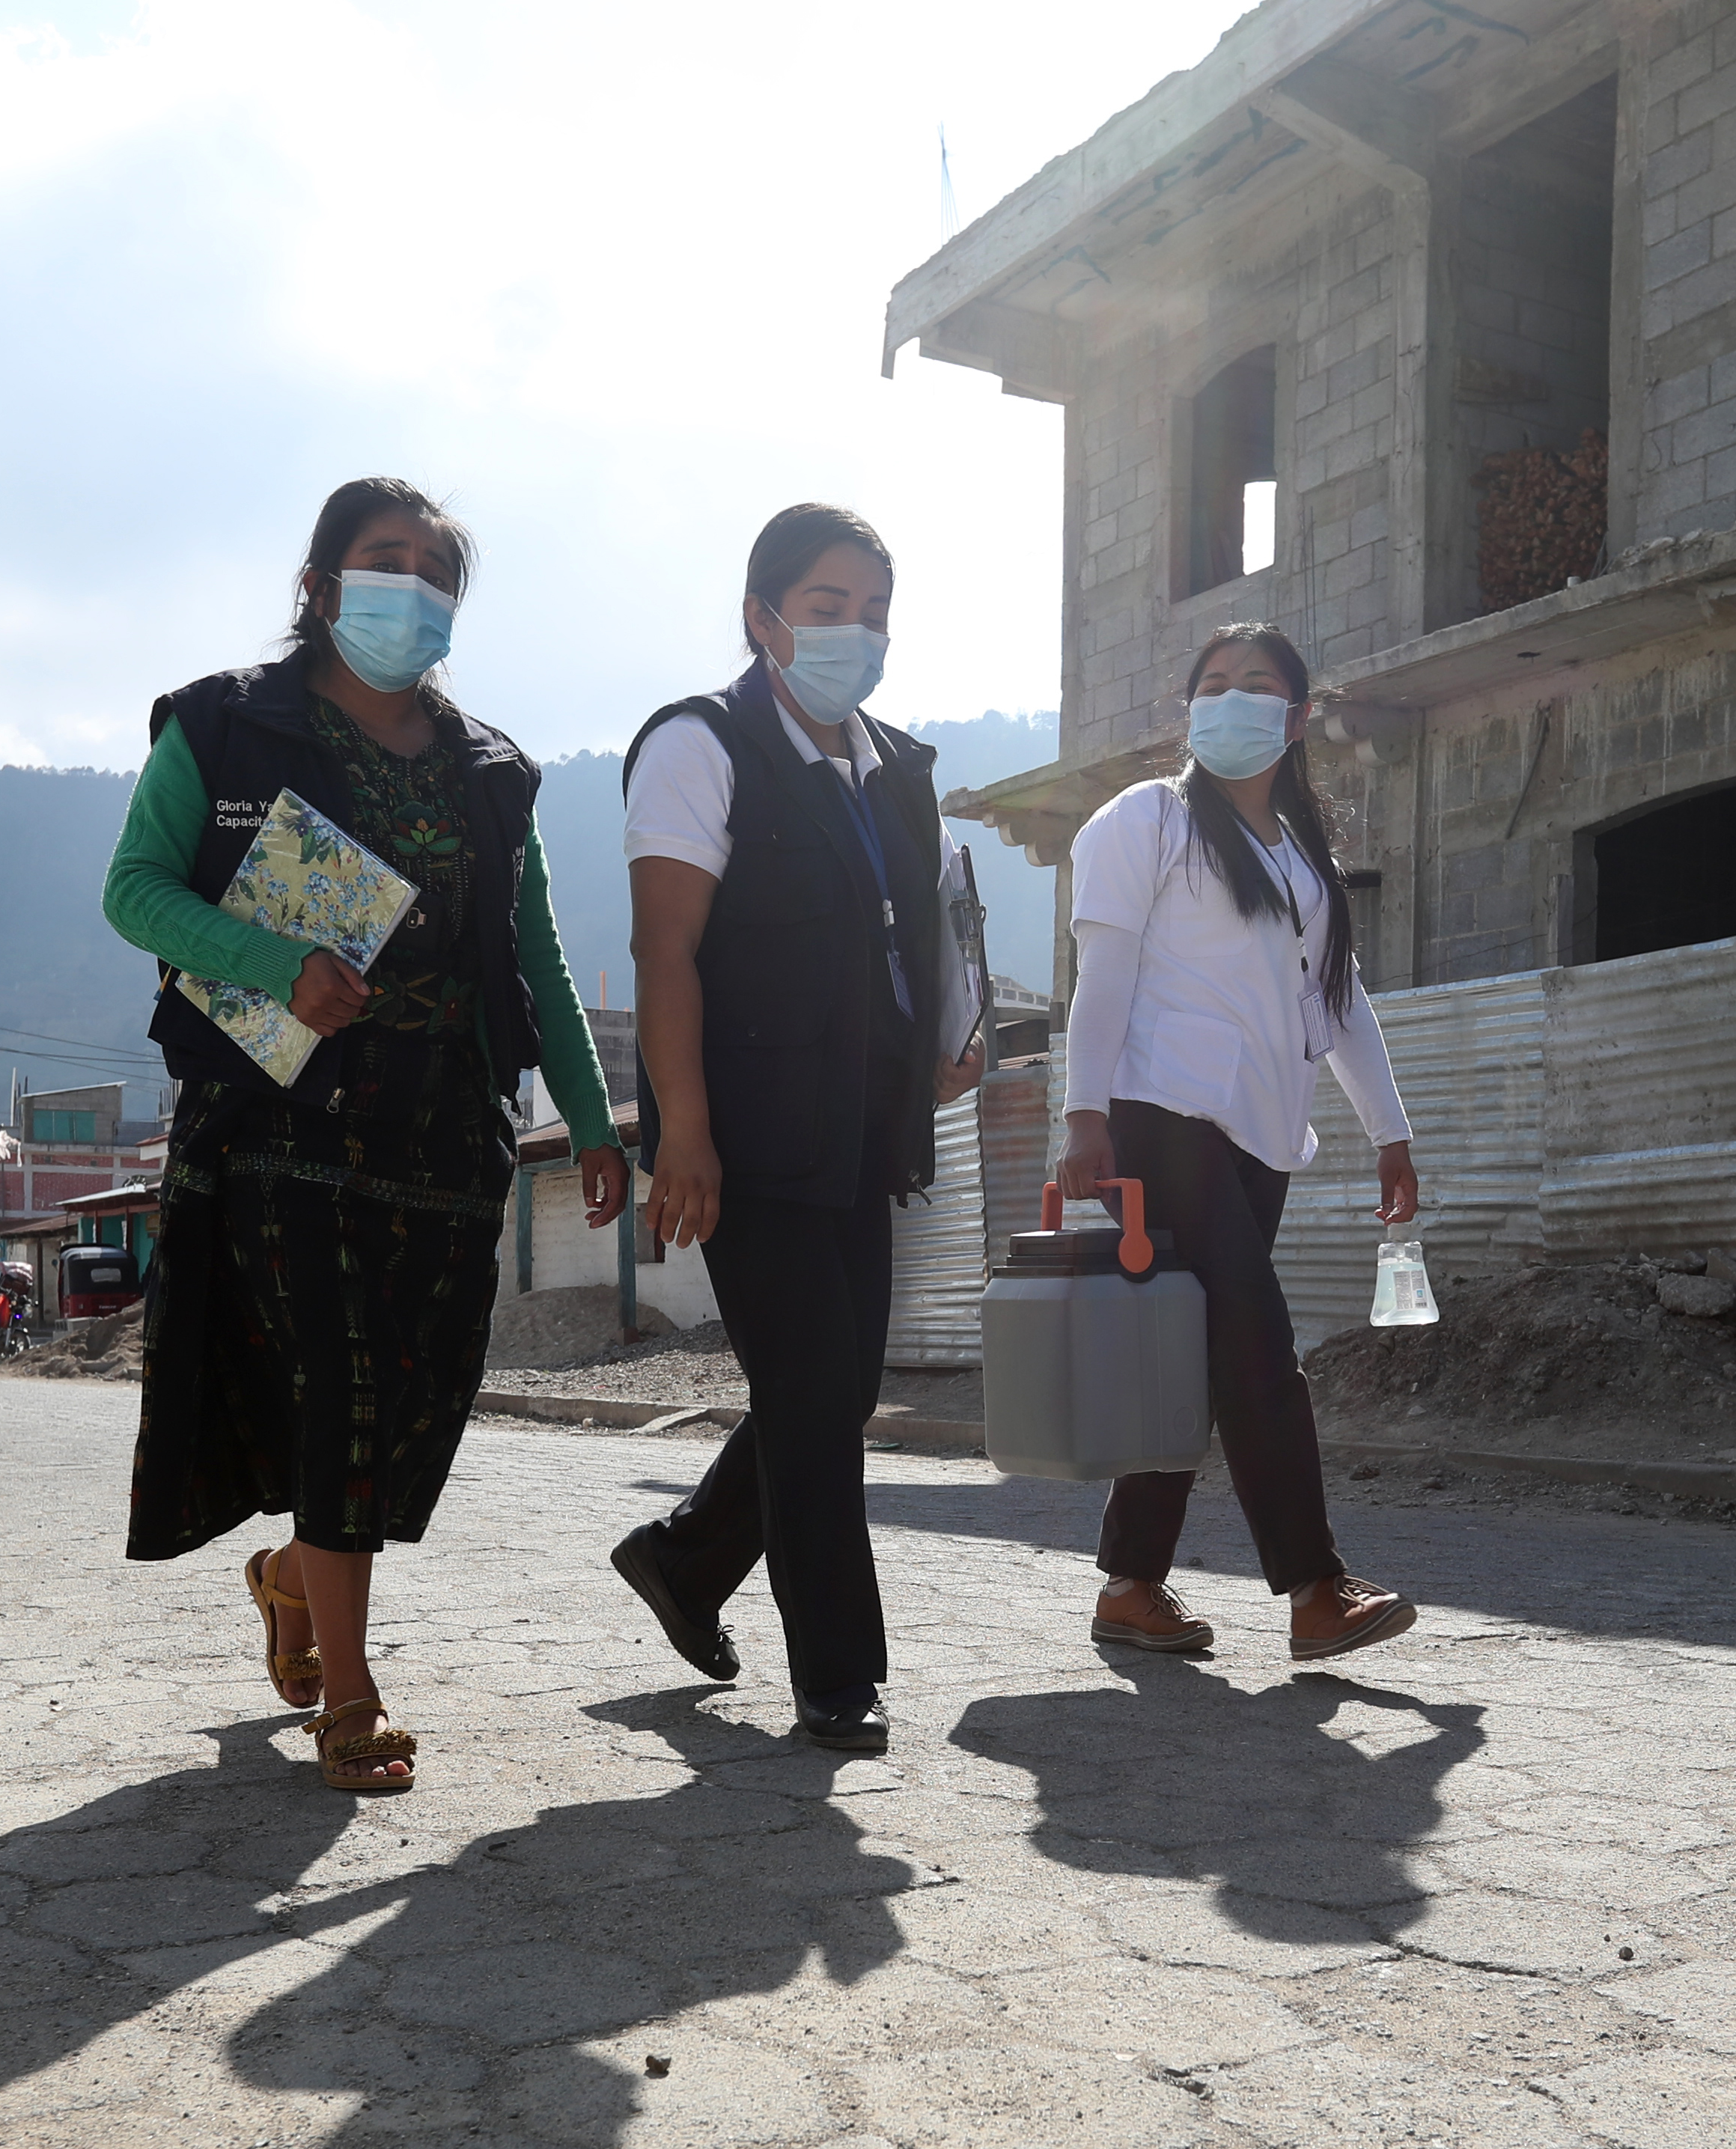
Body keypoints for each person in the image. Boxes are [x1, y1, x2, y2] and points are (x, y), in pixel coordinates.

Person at [106, 477, 627, 1790]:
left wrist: (592, 1116)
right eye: (382, 559)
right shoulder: (226, 724)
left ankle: (292, 1578)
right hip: (286, 1120)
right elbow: (136, 891)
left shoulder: (492, 771)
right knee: (339, 1400)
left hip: (450, 1134)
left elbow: (537, 958)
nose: (411, 587)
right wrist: (272, 961)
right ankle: (353, 1691)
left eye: (435, 570)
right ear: (321, 583)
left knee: (413, 1412)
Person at [611, 503, 984, 1752]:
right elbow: (667, 950)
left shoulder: (895, 768)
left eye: (875, 611)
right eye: (828, 607)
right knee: (814, 1389)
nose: (856, 633)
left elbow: (908, 938)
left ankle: (683, 1558)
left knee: (836, 1385)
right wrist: (685, 1133)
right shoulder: (700, 744)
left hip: (861, 1129)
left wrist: (938, 1043)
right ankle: (837, 1671)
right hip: (747, 1133)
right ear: (763, 618)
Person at [1057, 621, 1420, 1664]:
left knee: (1192, 1349)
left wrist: (1389, 1132)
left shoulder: (1303, 856)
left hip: (1261, 1136)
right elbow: (1104, 977)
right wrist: (1084, 1114)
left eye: (1257, 685)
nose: (1231, 700)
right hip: (1161, 1116)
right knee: (1256, 1339)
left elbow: (1339, 1003)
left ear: (1298, 716)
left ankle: (1132, 1586)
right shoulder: (1148, 820)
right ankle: (1314, 1587)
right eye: (1212, 684)